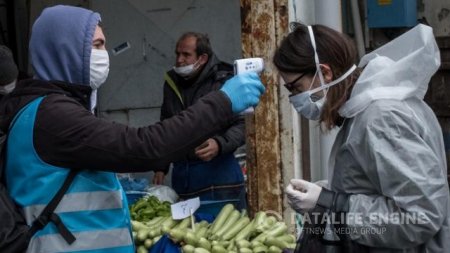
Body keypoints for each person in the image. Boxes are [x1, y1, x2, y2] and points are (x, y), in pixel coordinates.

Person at [0, 5, 264, 253]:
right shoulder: (53, 115)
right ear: (65, 50)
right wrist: (222, 102)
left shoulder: (43, 109)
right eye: (97, 45)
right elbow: (144, 146)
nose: (104, 54)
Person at [274, 23, 450, 252]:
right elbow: (381, 183)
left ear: (325, 73)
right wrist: (331, 191)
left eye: (296, 88)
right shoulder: (366, 109)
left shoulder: (381, 119)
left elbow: (419, 217)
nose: (294, 98)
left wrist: (332, 203)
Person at [154, 32, 247, 211]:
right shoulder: (171, 82)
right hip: (184, 178)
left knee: (226, 233)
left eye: (186, 55)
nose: (179, 60)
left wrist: (219, 144)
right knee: (187, 234)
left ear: (202, 58)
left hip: (220, 178)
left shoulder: (224, 80)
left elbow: (243, 124)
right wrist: (161, 166)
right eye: (177, 53)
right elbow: (165, 125)